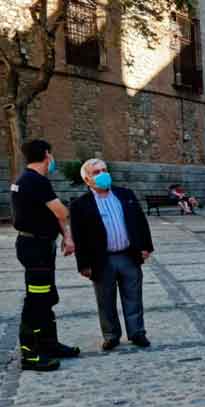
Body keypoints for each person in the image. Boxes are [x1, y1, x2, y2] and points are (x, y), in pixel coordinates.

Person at [10, 139, 80, 371]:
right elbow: (61, 211)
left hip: (37, 246)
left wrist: (66, 236)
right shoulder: (35, 181)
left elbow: (53, 216)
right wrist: (67, 212)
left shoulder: (27, 180)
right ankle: (30, 355)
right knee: (36, 301)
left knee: (47, 297)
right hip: (35, 248)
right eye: (52, 155)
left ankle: (49, 344)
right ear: (47, 155)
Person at [70, 159, 154, 351]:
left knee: (133, 296)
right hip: (101, 259)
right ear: (87, 179)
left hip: (128, 255)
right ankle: (111, 335)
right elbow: (79, 237)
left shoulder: (125, 195)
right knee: (105, 299)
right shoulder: (80, 205)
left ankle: (137, 332)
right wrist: (83, 264)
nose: (102, 174)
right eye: (96, 172)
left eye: (104, 170)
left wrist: (145, 246)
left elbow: (140, 222)